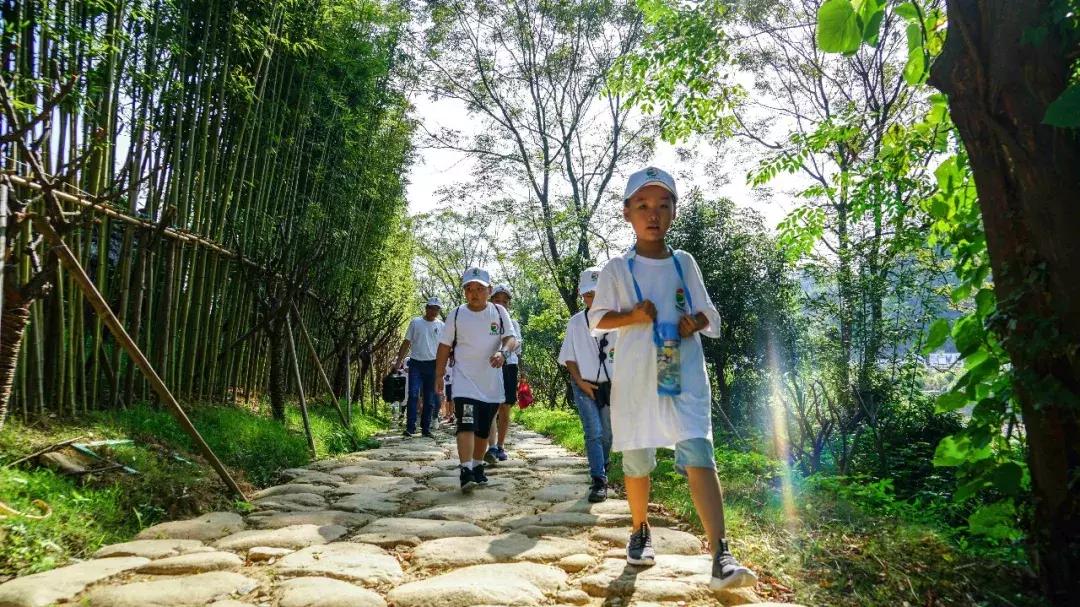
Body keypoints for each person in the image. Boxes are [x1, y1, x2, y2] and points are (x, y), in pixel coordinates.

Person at [588, 166, 757, 590]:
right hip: (638, 378)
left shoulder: (685, 263)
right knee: (638, 458)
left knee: (699, 451)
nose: (653, 214)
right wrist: (633, 316)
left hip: (682, 374)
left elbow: (711, 314)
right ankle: (641, 529)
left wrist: (693, 322)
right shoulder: (617, 268)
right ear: (627, 212)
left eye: (663, 205)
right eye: (643, 206)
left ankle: (721, 554)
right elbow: (596, 320)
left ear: (674, 213)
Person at [435, 267, 519, 492]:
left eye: (479, 289)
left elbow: (511, 339)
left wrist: (503, 353)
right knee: (466, 424)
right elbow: (444, 346)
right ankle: (465, 469)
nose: (474, 293)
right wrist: (439, 375)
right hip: (465, 382)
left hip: (491, 384)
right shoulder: (457, 314)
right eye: (469, 289)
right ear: (464, 292)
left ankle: (477, 466)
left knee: (483, 430)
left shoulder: (499, 313)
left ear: (489, 290)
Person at [558, 267, 615, 503]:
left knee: (608, 434)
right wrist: (580, 382)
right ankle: (598, 480)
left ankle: (604, 462)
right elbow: (569, 357)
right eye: (588, 295)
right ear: (582, 296)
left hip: (610, 385)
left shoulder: (618, 320)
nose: (592, 299)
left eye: (597, 293)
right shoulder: (575, 323)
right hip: (584, 384)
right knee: (594, 432)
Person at [394, 297, 444, 438]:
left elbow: (444, 347)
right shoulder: (416, 322)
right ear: (426, 308)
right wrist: (399, 361)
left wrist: (442, 366)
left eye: (437, 309)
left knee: (429, 398)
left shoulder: (441, 326)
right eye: (432, 307)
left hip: (433, 365)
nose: (434, 311)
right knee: (413, 395)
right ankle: (410, 427)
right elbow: (406, 342)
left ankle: (426, 428)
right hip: (415, 364)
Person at [485, 284, 522, 464]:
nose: (501, 304)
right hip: (490, 366)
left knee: (505, 407)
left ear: (509, 305)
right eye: (497, 300)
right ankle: (491, 446)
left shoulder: (513, 323)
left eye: (504, 302)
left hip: (508, 366)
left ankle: (500, 445)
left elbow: (518, 345)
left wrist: (505, 351)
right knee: (492, 406)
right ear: (491, 301)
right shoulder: (484, 320)